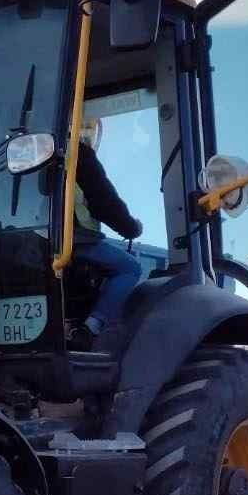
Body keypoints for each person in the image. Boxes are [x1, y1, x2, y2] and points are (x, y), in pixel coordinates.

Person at [68, 118, 144, 349]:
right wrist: (132, 228)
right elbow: (105, 203)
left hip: (23, 241)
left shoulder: (18, 149)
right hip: (72, 242)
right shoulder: (77, 153)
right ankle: (91, 327)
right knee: (130, 267)